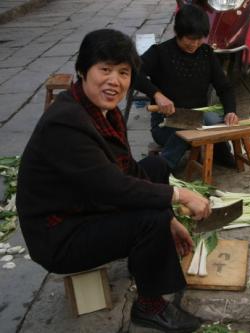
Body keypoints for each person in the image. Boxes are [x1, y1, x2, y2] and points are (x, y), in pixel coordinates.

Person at [16, 29, 207, 333]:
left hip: (83, 206)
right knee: (149, 217)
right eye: (104, 70)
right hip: (58, 235)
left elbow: (127, 169)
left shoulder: (103, 112)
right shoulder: (66, 122)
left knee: (155, 167)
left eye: (123, 72)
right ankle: (150, 306)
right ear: (82, 71)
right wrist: (180, 196)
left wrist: (170, 219)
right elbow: (114, 188)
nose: (114, 81)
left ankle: (144, 256)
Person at [135, 4, 239, 170]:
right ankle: (161, 167)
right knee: (191, 125)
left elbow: (224, 87)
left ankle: (221, 155)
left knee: (217, 121)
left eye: (200, 39)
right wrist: (156, 94)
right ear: (178, 32)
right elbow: (133, 73)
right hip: (166, 123)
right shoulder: (160, 52)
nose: (195, 44)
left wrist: (230, 111)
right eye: (190, 39)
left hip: (199, 117)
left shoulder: (206, 53)